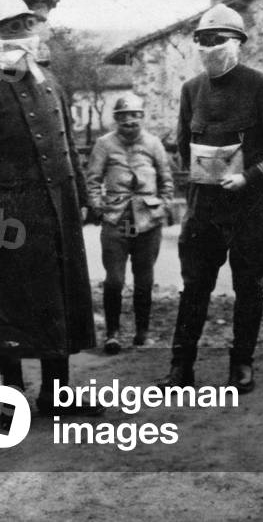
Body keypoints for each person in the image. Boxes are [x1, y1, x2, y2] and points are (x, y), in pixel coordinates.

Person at [0, 0, 100, 424]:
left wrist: (83, 199)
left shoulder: (49, 79)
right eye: (9, 29)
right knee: (7, 305)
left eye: (26, 26)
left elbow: (69, 144)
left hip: (56, 210)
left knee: (60, 301)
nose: (21, 37)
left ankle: (57, 394)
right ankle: (11, 396)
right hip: (7, 215)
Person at [161, 3, 263, 393]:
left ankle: (242, 366)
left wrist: (249, 176)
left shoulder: (262, 87)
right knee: (194, 286)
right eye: (202, 40)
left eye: (217, 40)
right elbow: (185, 145)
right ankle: (180, 368)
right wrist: (206, 176)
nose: (208, 47)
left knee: (249, 285)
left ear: (237, 43)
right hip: (205, 206)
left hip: (252, 206)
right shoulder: (192, 90)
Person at [85, 93, 174, 354]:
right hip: (116, 218)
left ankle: (142, 333)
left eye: (135, 116)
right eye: (123, 117)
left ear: (142, 118)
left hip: (147, 220)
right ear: (116, 120)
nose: (130, 122)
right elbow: (92, 180)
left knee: (144, 279)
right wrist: (99, 207)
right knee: (114, 280)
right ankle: (112, 333)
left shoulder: (154, 143)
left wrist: (163, 206)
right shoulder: (104, 144)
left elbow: (166, 179)